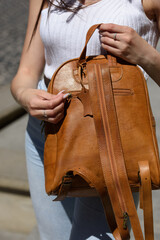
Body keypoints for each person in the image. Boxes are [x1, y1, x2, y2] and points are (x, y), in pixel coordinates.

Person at [11, 0, 160, 239]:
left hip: (112, 144)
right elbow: (26, 73)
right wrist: (26, 96)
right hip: (47, 134)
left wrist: (147, 56)